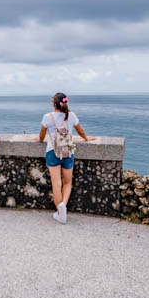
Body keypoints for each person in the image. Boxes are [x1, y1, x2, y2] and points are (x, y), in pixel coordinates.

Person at [39, 92, 91, 224]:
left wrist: (39, 139)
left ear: (54, 103)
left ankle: (60, 212)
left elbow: (41, 136)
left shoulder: (47, 117)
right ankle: (63, 206)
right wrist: (86, 138)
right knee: (68, 183)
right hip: (68, 151)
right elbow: (81, 131)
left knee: (57, 185)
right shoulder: (71, 115)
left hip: (52, 152)